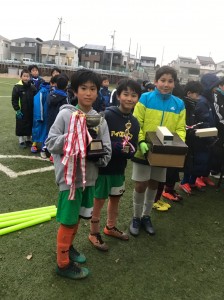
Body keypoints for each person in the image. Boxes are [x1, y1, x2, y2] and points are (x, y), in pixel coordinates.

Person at [45, 69, 111, 280]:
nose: (88, 93)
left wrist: (97, 155)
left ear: (98, 92)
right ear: (75, 91)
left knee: (77, 218)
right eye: (84, 88)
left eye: (93, 89)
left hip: (89, 179)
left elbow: (106, 150)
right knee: (68, 220)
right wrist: (72, 137)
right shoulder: (65, 114)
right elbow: (50, 143)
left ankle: (69, 247)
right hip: (69, 180)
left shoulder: (99, 120)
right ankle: (62, 264)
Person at [129, 66, 186, 236]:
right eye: (162, 80)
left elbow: (181, 129)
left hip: (164, 154)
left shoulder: (179, 104)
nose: (166, 84)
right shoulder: (145, 98)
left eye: (170, 81)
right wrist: (140, 142)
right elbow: (136, 122)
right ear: (156, 82)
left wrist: (178, 145)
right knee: (141, 184)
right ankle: (136, 217)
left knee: (154, 184)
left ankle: (146, 216)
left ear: (174, 84)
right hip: (143, 150)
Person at [89, 79, 141, 251]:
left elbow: (132, 143)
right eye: (125, 94)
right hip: (104, 168)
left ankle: (110, 227)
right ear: (118, 96)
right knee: (99, 200)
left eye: (134, 95)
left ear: (137, 98)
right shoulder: (107, 115)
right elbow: (96, 140)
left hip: (119, 169)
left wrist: (131, 151)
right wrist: (115, 146)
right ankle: (93, 232)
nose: (129, 98)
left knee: (115, 199)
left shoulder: (134, 122)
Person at [179, 81, 204, 194]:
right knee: (186, 160)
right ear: (189, 93)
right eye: (197, 94)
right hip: (184, 136)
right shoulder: (183, 104)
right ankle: (183, 182)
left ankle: (189, 181)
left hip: (192, 135)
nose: (198, 97)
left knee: (191, 159)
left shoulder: (193, 104)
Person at [11, 68, 37, 148]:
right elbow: (14, 99)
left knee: (30, 124)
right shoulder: (17, 87)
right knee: (20, 125)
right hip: (21, 110)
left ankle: (28, 140)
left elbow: (36, 97)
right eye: (24, 76)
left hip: (30, 110)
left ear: (30, 77)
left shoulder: (32, 87)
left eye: (27, 76)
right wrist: (17, 109)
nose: (26, 78)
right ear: (21, 77)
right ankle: (21, 140)